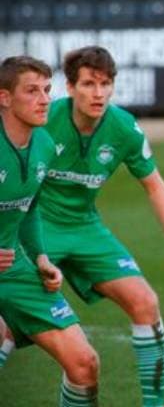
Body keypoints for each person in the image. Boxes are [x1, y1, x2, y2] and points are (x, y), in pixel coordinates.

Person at [36, 46, 164, 407]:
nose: (99, 93)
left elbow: (154, 184)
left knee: (145, 302)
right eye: (89, 84)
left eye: (106, 84)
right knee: (10, 329)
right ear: (71, 87)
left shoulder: (123, 128)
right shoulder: (44, 121)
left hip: (86, 228)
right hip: (39, 229)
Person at [0, 55, 101, 406]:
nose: (45, 99)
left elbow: (29, 211)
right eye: (32, 91)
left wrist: (41, 256)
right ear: (5, 98)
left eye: (47, 90)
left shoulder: (44, 144)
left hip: (15, 267)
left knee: (84, 363)